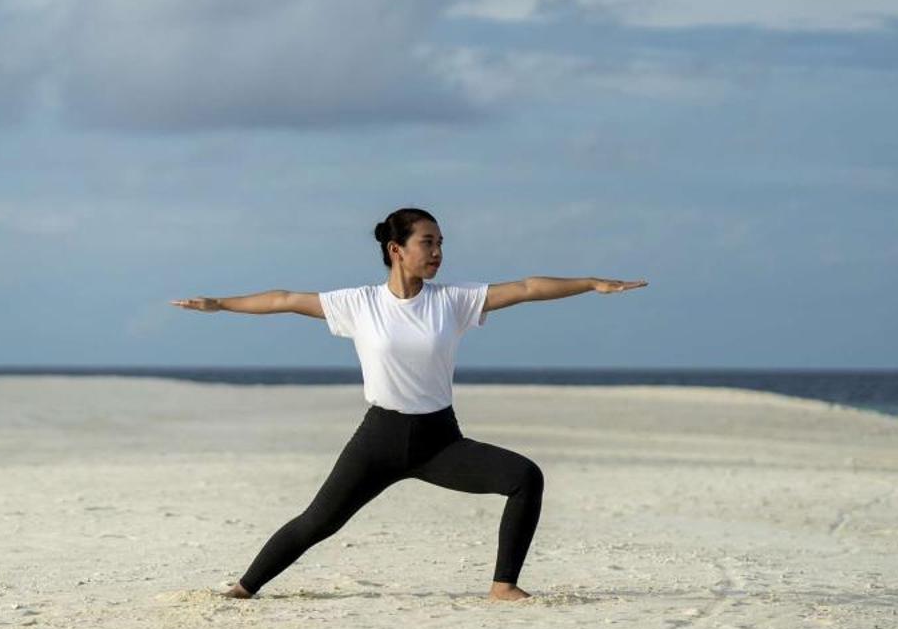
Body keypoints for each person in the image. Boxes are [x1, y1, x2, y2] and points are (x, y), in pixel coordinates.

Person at [171, 207, 645, 603]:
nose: (438, 252)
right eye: (427, 243)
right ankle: (244, 588)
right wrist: (221, 304)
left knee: (525, 477)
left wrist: (589, 282)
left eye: (441, 243)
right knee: (319, 522)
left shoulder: (453, 302)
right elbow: (285, 298)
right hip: (378, 440)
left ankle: (504, 586)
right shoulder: (358, 304)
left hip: (440, 442)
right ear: (397, 250)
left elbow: (524, 288)